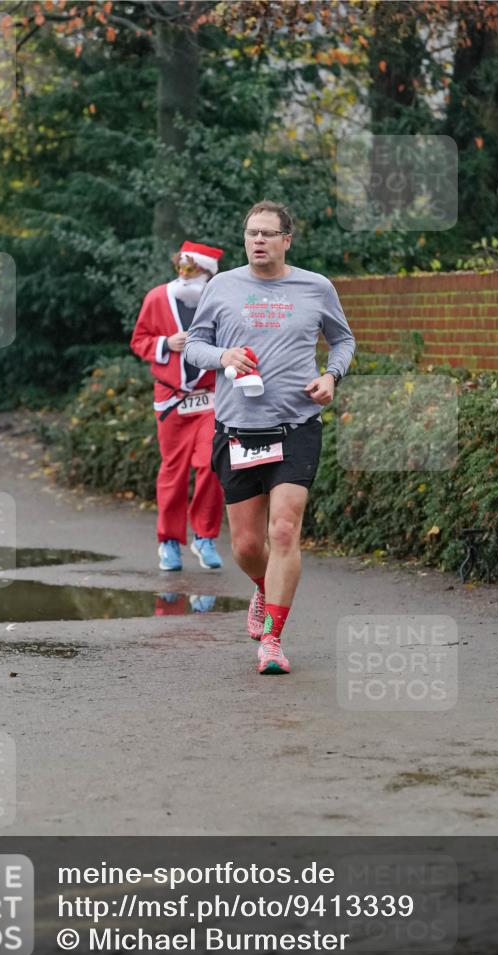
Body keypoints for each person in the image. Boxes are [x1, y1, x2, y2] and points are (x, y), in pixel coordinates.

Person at [184, 201, 356, 675]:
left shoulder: (315, 287)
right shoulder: (222, 286)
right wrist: (223, 357)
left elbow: (343, 340)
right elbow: (195, 345)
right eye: (250, 233)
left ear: (287, 239)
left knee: (283, 529)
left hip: (297, 425)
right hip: (238, 430)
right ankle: (263, 588)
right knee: (245, 545)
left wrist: (332, 376)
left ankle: (274, 642)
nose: (257, 240)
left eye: (267, 233)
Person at [131, 241, 226, 572]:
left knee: (211, 464)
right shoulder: (157, 297)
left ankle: (204, 535)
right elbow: (138, 339)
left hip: (210, 397)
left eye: (192, 269)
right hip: (172, 399)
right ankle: (169, 541)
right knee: (173, 471)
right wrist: (164, 343)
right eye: (181, 267)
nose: (184, 275)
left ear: (207, 273)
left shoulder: (219, 301)